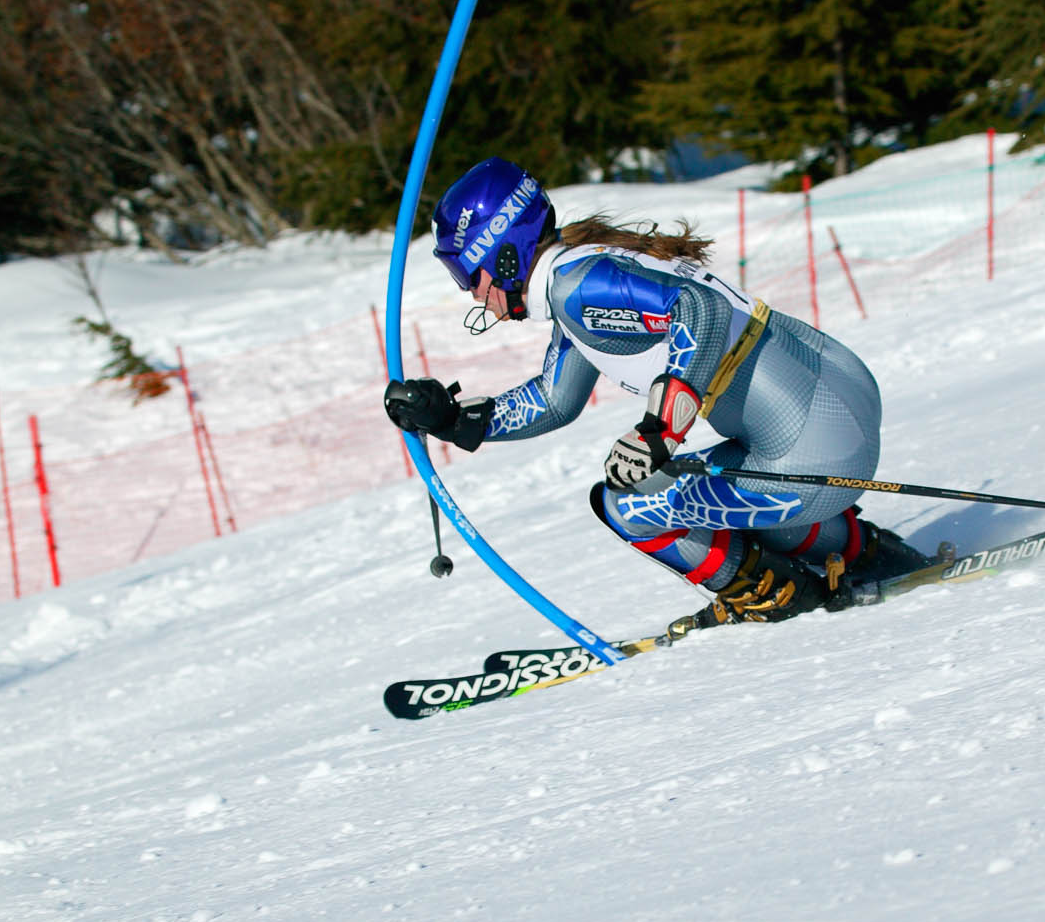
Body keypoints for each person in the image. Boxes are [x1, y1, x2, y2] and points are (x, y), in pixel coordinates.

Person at [383, 156, 924, 628]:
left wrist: (660, 429)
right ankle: (865, 552)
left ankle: (776, 594)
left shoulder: (578, 287)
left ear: (502, 254)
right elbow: (553, 400)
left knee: (628, 506)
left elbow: (700, 309)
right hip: (832, 403)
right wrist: (454, 419)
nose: (473, 293)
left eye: (466, 275)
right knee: (689, 487)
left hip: (814, 445)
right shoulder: (578, 273)